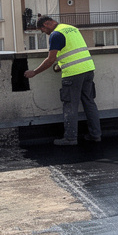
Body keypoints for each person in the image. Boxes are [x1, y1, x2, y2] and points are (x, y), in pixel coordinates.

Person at [23, 15, 102, 146]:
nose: (44, 33)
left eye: (43, 30)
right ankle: (96, 135)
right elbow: (72, 50)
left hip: (73, 74)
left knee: (70, 105)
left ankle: (70, 138)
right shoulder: (72, 29)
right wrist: (61, 65)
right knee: (89, 103)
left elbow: (50, 59)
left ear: (47, 24)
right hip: (88, 69)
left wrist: (34, 72)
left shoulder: (56, 34)